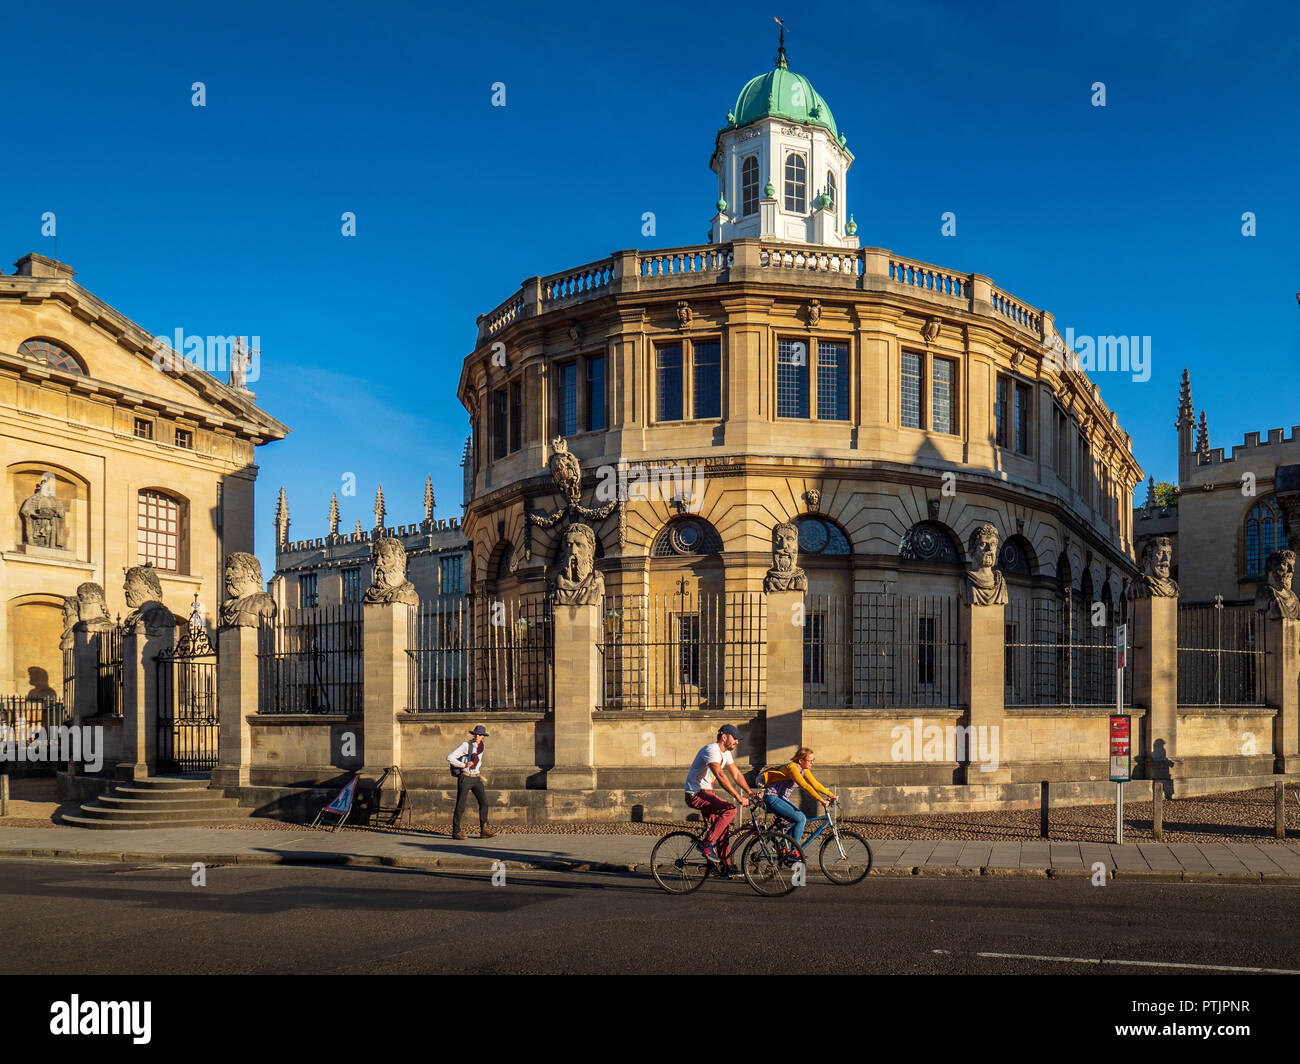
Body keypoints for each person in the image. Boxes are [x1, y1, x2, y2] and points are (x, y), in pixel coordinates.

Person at [683, 724, 755, 872]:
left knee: (723, 830)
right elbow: (720, 775)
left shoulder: (725, 753)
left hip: (707, 793)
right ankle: (706, 843)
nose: (737, 742)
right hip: (695, 794)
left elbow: (736, 774)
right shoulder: (712, 750)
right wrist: (737, 797)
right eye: (734, 738)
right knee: (730, 809)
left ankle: (726, 867)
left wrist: (750, 792)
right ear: (724, 737)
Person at [760, 748, 837, 860]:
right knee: (801, 819)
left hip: (781, 798)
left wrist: (831, 795)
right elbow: (805, 786)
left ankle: (781, 846)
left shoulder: (804, 770)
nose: (812, 763)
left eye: (813, 760)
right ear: (800, 760)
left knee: (798, 821)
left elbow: (815, 784)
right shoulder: (792, 768)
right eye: (810, 760)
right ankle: (793, 852)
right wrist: (821, 800)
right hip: (772, 797)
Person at [447, 725, 499, 840]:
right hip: (465, 777)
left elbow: (478, 761)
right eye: (475, 734)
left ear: (483, 736)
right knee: (461, 804)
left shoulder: (481, 747)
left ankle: (484, 830)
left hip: (476, 778)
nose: (477, 736)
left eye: (480, 735)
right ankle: (456, 831)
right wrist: (464, 765)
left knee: (484, 803)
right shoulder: (465, 745)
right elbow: (450, 757)